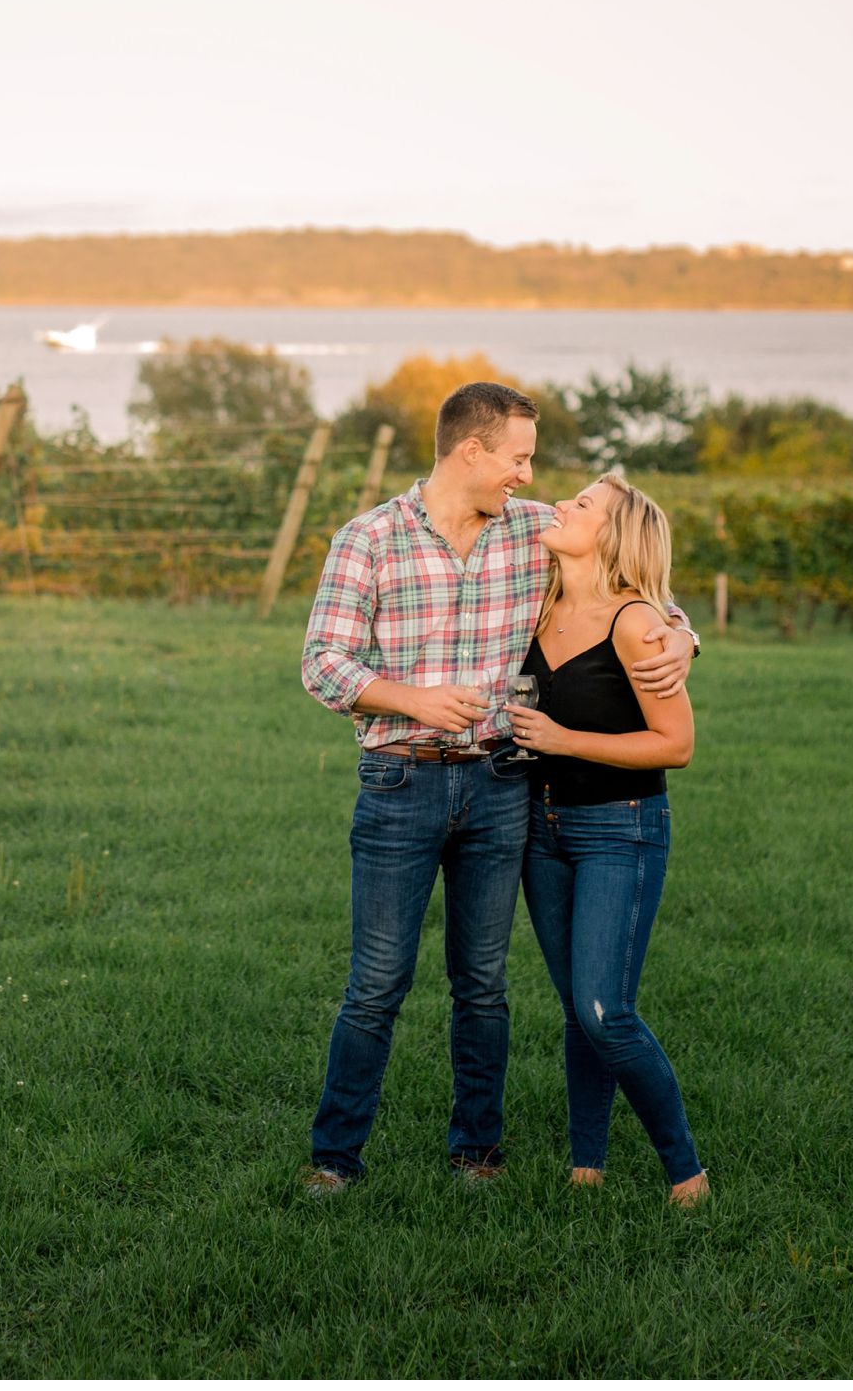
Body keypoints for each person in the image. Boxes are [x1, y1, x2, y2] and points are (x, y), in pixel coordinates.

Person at [296, 381, 695, 1192]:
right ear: (470, 450)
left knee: (482, 983)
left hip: (502, 785)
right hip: (398, 779)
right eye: (517, 457)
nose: (527, 474)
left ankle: (475, 1151)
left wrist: (683, 634)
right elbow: (321, 663)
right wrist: (413, 699)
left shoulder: (527, 529)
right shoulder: (368, 538)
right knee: (376, 982)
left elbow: (629, 569)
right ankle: (334, 1159)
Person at [507, 471, 708, 1205]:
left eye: (582, 503)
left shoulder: (635, 623)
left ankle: (685, 1172)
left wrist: (563, 737)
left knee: (604, 1010)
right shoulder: (536, 601)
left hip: (618, 828)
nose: (561, 503)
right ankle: (584, 1164)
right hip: (540, 827)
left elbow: (675, 744)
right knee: (574, 1007)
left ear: (613, 535)